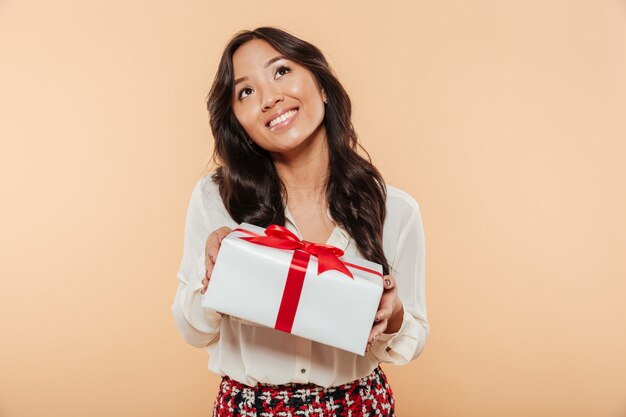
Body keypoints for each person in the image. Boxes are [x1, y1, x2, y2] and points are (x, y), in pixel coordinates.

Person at [172, 26, 429, 416]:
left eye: (281, 72)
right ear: (238, 122)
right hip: (249, 407)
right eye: (246, 91)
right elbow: (193, 330)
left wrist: (391, 315)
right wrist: (213, 275)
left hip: (358, 405)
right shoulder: (217, 199)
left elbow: (410, 340)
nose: (270, 98)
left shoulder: (395, 210)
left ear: (322, 85)